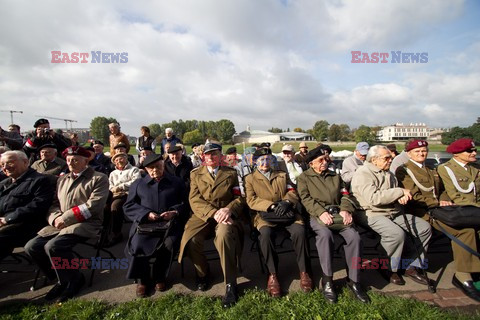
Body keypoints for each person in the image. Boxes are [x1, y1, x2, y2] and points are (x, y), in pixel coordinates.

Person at [25, 146, 109, 303]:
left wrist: (66, 219)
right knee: (32, 247)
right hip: (59, 222)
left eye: (76, 159)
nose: (71, 162)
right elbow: (54, 204)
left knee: (54, 246)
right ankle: (61, 277)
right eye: (69, 160)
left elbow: (94, 205)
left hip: (86, 222)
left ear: (86, 160)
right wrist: (55, 218)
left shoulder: (98, 178)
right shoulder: (62, 179)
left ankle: (75, 279)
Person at [351, 145, 432, 286]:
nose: (390, 160)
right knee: (395, 234)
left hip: (392, 211)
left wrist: (400, 197)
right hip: (370, 212)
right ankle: (388, 267)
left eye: (390, 157)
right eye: (386, 158)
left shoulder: (389, 173)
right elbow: (374, 198)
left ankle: (410, 265)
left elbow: (394, 193)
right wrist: (399, 192)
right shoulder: (363, 173)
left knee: (424, 228)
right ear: (374, 160)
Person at [297, 145, 369, 303]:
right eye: (320, 160)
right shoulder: (304, 178)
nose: (325, 162)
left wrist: (345, 210)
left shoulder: (335, 176)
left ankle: (354, 281)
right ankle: (328, 280)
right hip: (318, 215)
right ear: (311, 163)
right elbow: (305, 199)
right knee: (325, 236)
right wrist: (320, 212)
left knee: (355, 238)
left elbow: (345, 195)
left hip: (338, 214)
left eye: (326, 159)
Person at [178, 142, 243, 308]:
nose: (211, 157)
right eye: (208, 154)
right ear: (203, 157)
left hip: (225, 214)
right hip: (203, 215)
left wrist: (228, 210)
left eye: (215, 154)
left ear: (220, 156)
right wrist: (213, 213)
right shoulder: (196, 174)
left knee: (224, 236)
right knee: (191, 240)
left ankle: (230, 284)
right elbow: (194, 199)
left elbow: (239, 197)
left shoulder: (231, 173)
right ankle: (203, 273)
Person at [245, 147, 312, 297]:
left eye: (268, 159)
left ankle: (304, 271)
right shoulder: (250, 179)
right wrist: (272, 205)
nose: (265, 162)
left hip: (287, 213)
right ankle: (273, 274)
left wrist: (287, 201)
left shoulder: (282, 175)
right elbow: (251, 200)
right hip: (266, 216)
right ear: (255, 161)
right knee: (265, 235)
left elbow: (292, 191)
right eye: (261, 159)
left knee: (300, 231)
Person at [123, 154, 188, 297]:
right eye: (151, 168)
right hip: (145, 225)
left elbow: (186, 203)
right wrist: (146, 214)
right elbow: (128, 206)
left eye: (158, 166)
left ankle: (160, 276)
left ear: (163, 165)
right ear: (145, 169)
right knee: (138, 244)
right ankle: (142, 280)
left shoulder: (176, 182)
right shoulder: (138, 184)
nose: (155, 170)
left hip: (169, 225)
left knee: (170, 244)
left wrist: (174, 211)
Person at [436, 138, 480, 301]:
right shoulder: (445, 169)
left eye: (474, 150)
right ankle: (463, 275)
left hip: (472, 210)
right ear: (457, 154)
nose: (474, 153)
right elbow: (454, 194)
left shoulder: (474, 169)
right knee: (466, 232)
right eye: (469, 151)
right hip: (456, 211)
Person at [0, 151, 54, 262]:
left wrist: (8, 219)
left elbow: (38, 206)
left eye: (10, 163)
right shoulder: (4, 184)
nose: (5, 167)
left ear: (25, 162)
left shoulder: (40, 180)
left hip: (24, 227)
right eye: (2, 164)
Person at [107, 152, 140, 247]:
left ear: (126, 159)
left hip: (128, 193)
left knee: (115, 206)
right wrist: (113, 189)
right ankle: (104, 232)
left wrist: (121, 187)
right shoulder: (113, 173)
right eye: (116, 160)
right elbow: (110, 184)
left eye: (121, 158)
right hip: (114, 194)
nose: (119, 161)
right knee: (104, 206)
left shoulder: (134, 170)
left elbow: (136, 182)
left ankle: (116, 233)